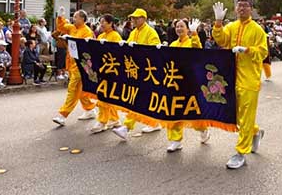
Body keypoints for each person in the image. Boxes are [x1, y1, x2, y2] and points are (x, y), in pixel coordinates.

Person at [212, 0, 268, 169]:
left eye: (245, 6)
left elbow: (263, 52)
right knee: (237, 116)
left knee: (246, 116)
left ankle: (241, 152)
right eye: (239, 5)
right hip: (231, 77)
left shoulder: (257, 30)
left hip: (250, 80)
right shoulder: (231, 27)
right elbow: (221, 40)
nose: (242, 8)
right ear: (236, 9)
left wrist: (247, 50)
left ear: (251, 9)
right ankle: (255, 131)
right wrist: (218, 23)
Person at [112, 8, 161, 140]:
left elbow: (156, 50)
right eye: (132, 18)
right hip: (136, 71)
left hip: (148, 72)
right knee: (142, 99)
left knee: (137, 99)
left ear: (143, 19)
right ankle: (154, 123)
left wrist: (139, 49)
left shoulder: (151, 32)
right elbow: (129, 49)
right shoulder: (133, 32)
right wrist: (124, 46)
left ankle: (126, 127)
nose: (133, 20)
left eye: (136, 18)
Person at [165, 18, 210, 152]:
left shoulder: (191, 42)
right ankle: (175, 140)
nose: (179, 29)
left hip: (190, 82)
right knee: (173, 110)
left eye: (181, 26)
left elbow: (198, 50)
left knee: (192, 111)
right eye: (177, 26)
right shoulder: (172, 44)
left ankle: (203, 129)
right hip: (175, 83)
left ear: (187, 29)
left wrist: (195, 33)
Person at [52, 7, 97, 126]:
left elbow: (85, 47)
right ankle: (90, 109)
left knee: (72, 88)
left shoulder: (87, 31)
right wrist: (61, 16)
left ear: (82, 19)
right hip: (71, 62)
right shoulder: (72, 27)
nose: (73, 18)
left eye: (76, 17)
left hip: (81, 64)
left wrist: (71, 39)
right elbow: (61, 27)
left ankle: (63, 114)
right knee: (80, 89)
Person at [89, 14, 122, 134]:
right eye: (100, 22)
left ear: (110, 23)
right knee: (106, 96)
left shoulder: (115, 36)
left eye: (104, 22)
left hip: (111, 71)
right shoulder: (101, 35)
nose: (101, 24)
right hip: (101, 70)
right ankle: (114, 119)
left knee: (104, 95)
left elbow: (118, 53)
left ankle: (102, 121)